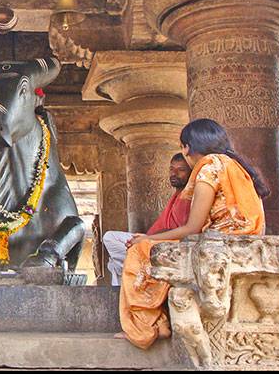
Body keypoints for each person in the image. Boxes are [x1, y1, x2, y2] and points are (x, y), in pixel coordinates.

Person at [118, 118, 268, 349]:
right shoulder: (233, 165)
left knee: (139, 251)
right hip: (238, 240)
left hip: (221, 243)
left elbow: (192, 227)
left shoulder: (209, 167)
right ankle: (161, 323)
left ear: (186, 147)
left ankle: (144, 327)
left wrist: (147, 239)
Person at [102, 153, 192, 285]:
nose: (174, 173)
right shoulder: (176, 196)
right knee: (111, 244)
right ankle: (136, 271)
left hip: (169, 246)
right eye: (171, 169)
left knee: (115, 252)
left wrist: (147, 239)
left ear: (191, 172)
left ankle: (138, 273)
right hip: (151, 241)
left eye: (181, 170)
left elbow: (179, 231)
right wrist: (143, 238)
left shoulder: (189, 197)